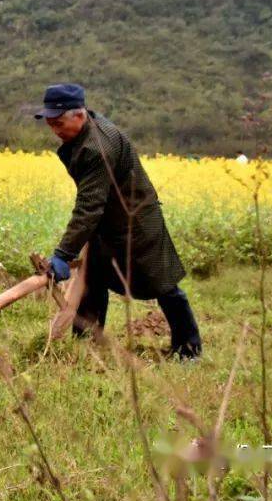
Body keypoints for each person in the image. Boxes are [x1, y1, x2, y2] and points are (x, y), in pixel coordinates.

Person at [35, 84, 202, 359]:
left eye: (58, 122)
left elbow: (89, 206)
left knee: (164, 284)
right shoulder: (86, 130)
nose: (54, 129)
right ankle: (87, 340)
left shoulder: (96, 148)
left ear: (79, 115)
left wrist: (64, 254)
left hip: (137, 221)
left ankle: (189, 349)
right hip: (108, 219)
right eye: (50, 124)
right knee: (94, 277)